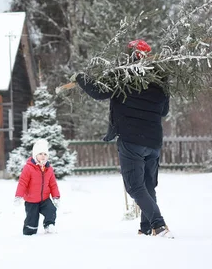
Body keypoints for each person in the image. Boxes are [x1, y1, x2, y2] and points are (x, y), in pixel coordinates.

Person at [74, 39, 173, 238]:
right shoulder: (160, 80)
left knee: (135, 187)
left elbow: (99, 92)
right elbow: (164, 111)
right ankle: (146, 229)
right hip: (153, 141)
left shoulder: (123, 74)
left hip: (131, 140)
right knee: (148, 185)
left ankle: (158, 224)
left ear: (131, 55)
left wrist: (80, 77)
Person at [14, 139, 61, 235]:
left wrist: (56, 197)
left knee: (51, 210)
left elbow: (53, 184)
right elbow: (22, 183)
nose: (43, 156)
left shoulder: (49, 169)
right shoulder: (28, 168)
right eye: (40, 154)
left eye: (45, 154)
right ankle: (29, 233)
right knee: (32, 221)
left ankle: (49, 225)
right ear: (35, 155)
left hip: (44, 199)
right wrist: (19, 196)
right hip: (31, 201)